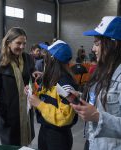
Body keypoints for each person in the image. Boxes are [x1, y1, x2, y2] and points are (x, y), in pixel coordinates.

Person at [71, 16, 121, 150]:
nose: (93, 49)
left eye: (97, 43)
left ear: (114, 44)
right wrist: (81, 97)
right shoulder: (102, 71)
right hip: (92, 141)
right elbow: (100, 99)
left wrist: (98, 117)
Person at [0, 27, 35, 146]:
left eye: (24, 43)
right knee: (11, 145)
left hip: (26, 112)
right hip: (9, 115)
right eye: (18, 43)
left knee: (25, 144)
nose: (22, 47)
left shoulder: (28, 59)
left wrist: (35, 78)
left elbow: (31, 79)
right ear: (8, 42)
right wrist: (3, 113)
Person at [29, 40, 78, 150]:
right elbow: (44, 97)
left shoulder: (66, 85)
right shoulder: (51, 78)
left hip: (58, 137)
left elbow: (65, 117)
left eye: (47, 54)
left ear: (53, 60)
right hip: (45, 129)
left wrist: (39, 104)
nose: (43, 57)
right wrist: (32, 93)